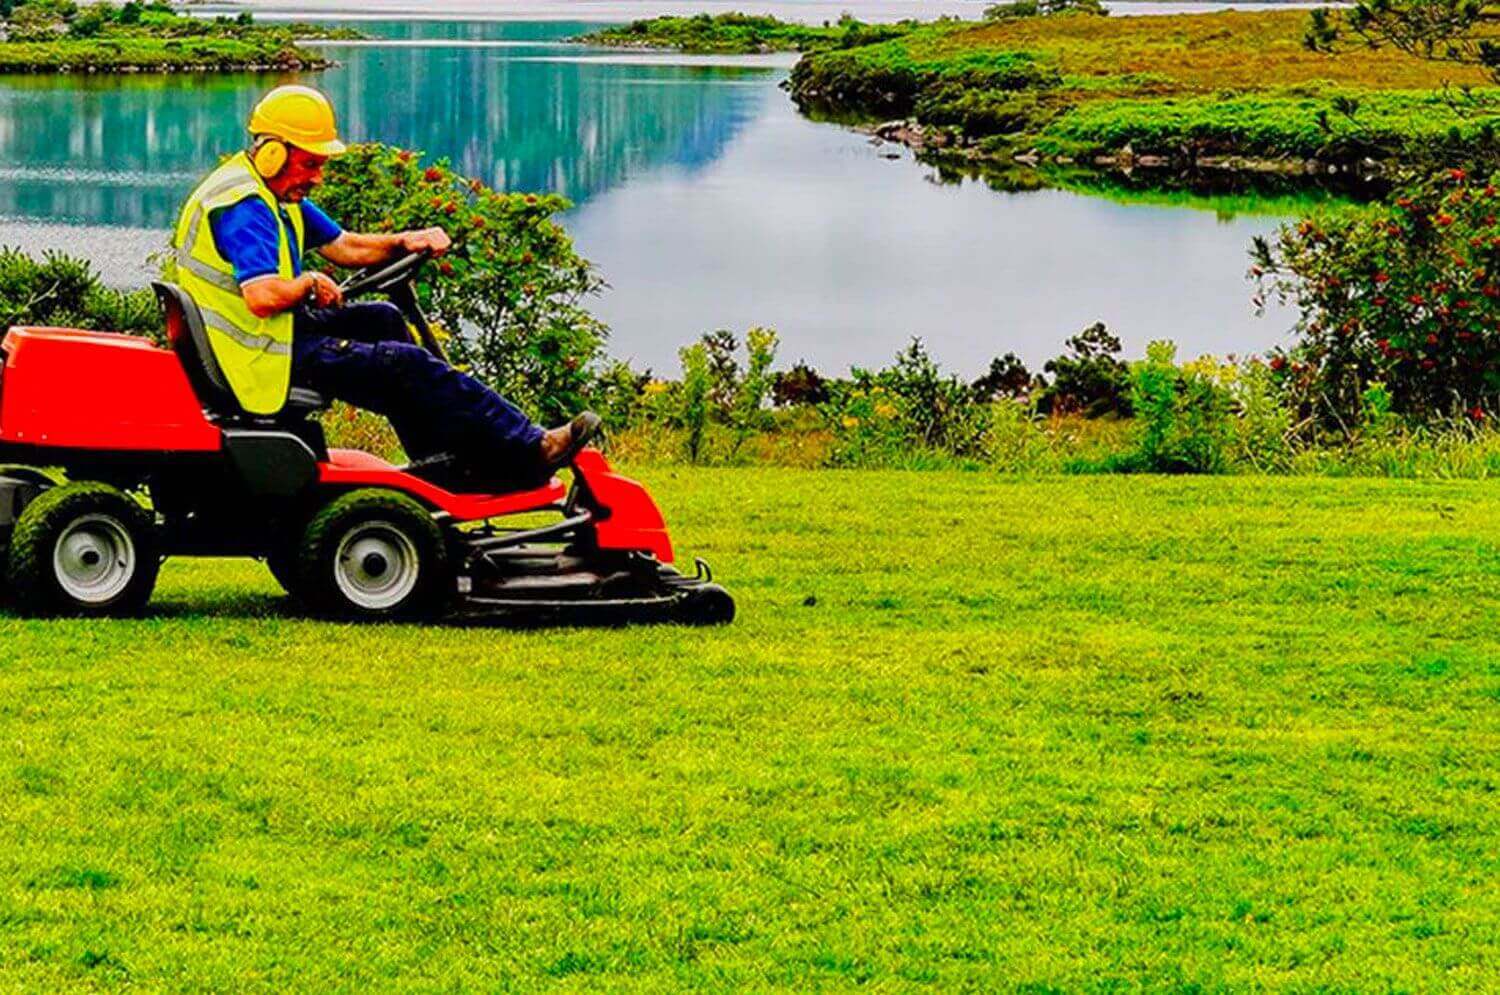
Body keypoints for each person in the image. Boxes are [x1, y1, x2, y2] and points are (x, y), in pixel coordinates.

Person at [169, 84, 597, 487]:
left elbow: (344, 246)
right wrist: (309, 282)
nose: (318, 177)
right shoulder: (245, 207)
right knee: (404, 364)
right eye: (311, 164)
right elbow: (262, 296)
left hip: (272, 339)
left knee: (383, 319)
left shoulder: (274, 194)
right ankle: (531, 446)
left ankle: (444, 462)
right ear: (273, 154)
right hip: (259, 359)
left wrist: (404, 241)